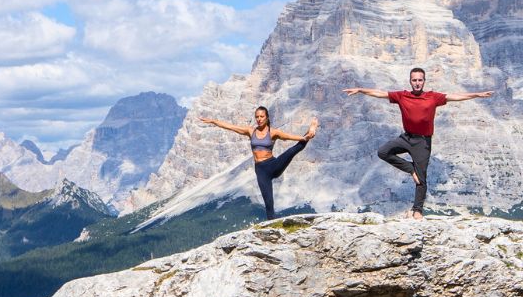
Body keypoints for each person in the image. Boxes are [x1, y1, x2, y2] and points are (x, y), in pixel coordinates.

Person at [344, 68, 493, 218]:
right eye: (414, 80)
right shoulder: (402, 96)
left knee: (421, 179)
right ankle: (411, 169)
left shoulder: (432, 97)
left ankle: (417, 210)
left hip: (423, 142)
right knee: (383, 152)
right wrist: (361, 90)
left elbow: (455, 96)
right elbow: (380, 93)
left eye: (420, 80)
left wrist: (476, 95)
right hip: (406, 138)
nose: (417, 83)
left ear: (424, 81)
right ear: (410, 82)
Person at [200, 107, 318, 218]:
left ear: (267, 118)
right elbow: (231, 127)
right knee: (268, 202)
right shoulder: (250, 131)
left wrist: (305, 137)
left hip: (273, 165)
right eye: (257, 117)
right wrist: (214, 121)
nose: (259, 119)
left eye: (262, 116)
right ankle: (272, 230)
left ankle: (310, 130)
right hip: (261, 170)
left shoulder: (273, 132)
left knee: (292, 150)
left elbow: (290, 137)